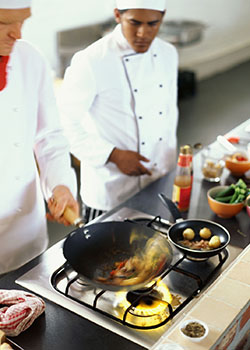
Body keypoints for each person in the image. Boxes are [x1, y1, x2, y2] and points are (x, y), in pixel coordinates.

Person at [59, 0, 178, 222]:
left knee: (158, 252)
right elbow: (63, 123)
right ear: (117, 15)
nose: (143, 32)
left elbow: (169, 114)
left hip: (159, 180)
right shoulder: (92, 60)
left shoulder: (168, 53)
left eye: (153, 23)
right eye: (134, 23)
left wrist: (171, 163)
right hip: (111, 190)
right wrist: (113, 155)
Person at [0, 0, 79, 275]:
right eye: (3, 23)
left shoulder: (30, 59)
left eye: (23, 21)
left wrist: (59, 185)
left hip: (24, 232)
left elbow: (49, 137)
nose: (17, 34)